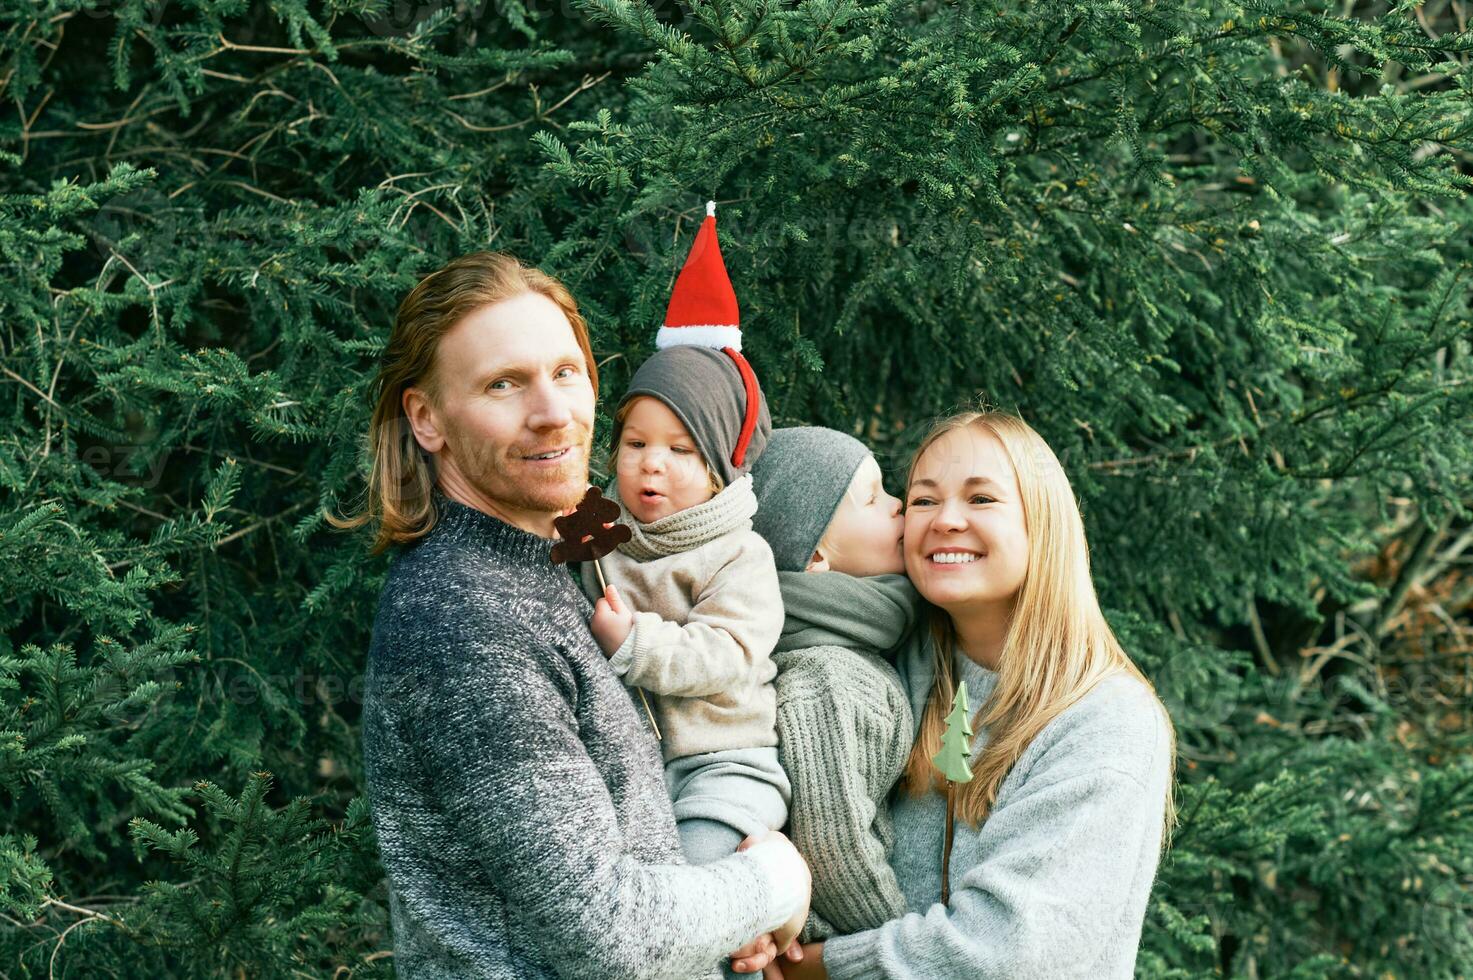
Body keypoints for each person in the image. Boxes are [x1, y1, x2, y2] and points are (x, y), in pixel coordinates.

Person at [343, 250, 810, 979]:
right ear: (426, 418)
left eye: (566, 373)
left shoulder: (558, 567)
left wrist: (720, 915)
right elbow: (609, 936)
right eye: (504, 384)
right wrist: (772, 883)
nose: (554, 412)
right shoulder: (464, 622)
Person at [776, 409, 1178, 979]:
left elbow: (1011, 952)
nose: (946, 520)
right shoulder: (875, 672)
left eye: (981, 499)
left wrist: (824, 969)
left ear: (1042, 523)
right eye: (923, 500)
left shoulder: (1105, 720)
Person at [584, 201, 790, 875]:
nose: (651, 463)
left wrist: (637, 645)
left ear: (720, 466)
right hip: (629, 760)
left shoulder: (737, 553)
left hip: (722, 759)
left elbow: (727, 654)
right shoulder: (597, 525)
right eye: (636, 443)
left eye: (680, 449)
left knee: (708, 878)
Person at [746, 427, 920, 943]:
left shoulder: (859, 640)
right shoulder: (827, 679)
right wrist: (901, 956)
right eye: (872, 497)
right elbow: (836, 852)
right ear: (816, 556)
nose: (899, 506)